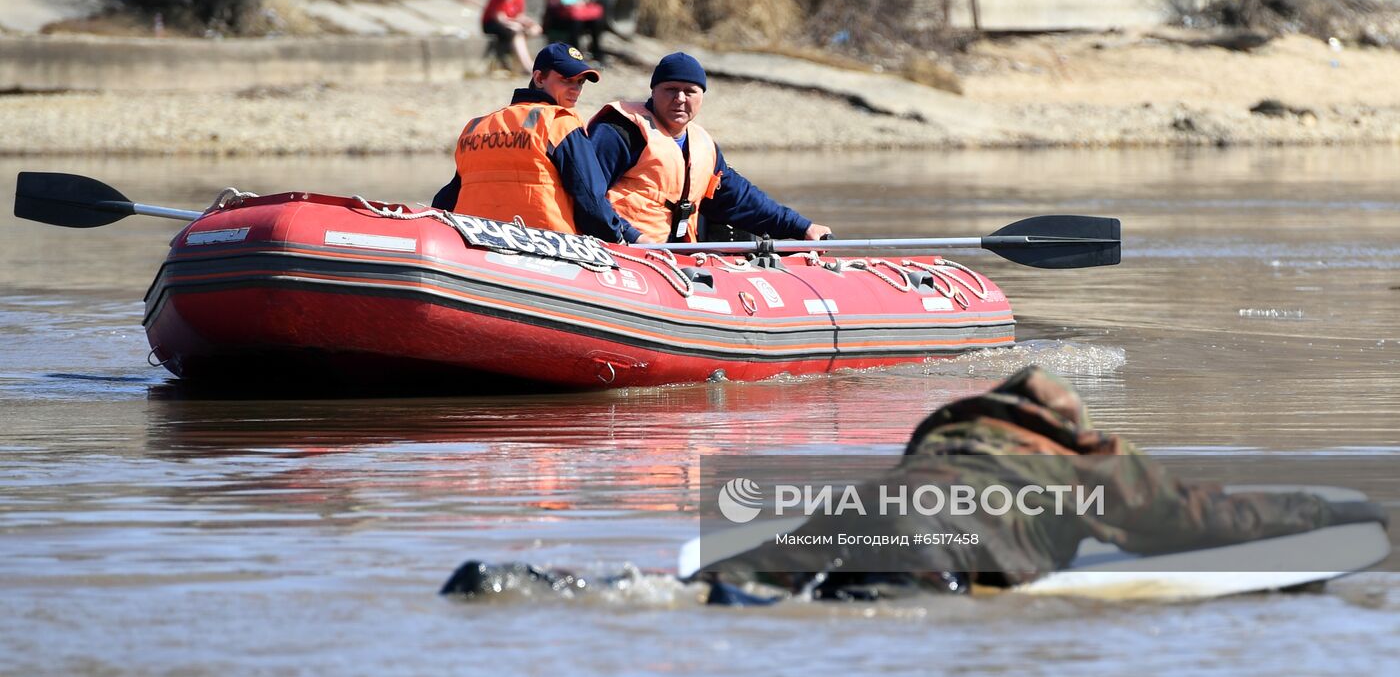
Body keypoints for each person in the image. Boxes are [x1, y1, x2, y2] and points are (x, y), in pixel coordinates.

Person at [441, 366, 1386, 605]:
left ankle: (539, 582)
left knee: (700, 593)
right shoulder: (1084, 465)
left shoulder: (942, 446)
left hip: (849, 518)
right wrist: (1354, 513)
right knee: (849, 616)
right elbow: (1214, 522)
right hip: (947, 551)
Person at [587, 52, 831, 245]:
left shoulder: (704, 146)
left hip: (673, 256)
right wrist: (631, 237)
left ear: (701, 96)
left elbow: (741, 200)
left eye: (690, 91)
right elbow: (587, 196)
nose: (680, 98)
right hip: (622, 249)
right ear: (654, 91)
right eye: (671, 89)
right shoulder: (619, 131)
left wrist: (802, 227)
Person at [431, 42, 641, 244]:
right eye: (567, 79)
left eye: (580, 82)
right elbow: (590, 199)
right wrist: (617, 239)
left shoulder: (477, 127)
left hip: (475, 245)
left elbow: (447, 198)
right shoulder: (559, 122)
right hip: (545, 250)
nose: (576, 89)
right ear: (539, 78)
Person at [542, 0, 607, 61]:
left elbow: (587, 0)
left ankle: (596, 50)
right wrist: (568, 3)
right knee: (576, 23)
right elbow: (553, 5)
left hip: (576, 15)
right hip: (559, 18)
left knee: (597, 21)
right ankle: (576, 53)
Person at [480, 0, 541, 74]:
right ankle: (527, 65)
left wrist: (529, 24)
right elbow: (499, 18)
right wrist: (515, 24)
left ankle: (523, 63)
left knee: (528, 31)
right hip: (492, 24)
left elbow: (519, 16)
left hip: (509, 24)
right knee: (516, 33)